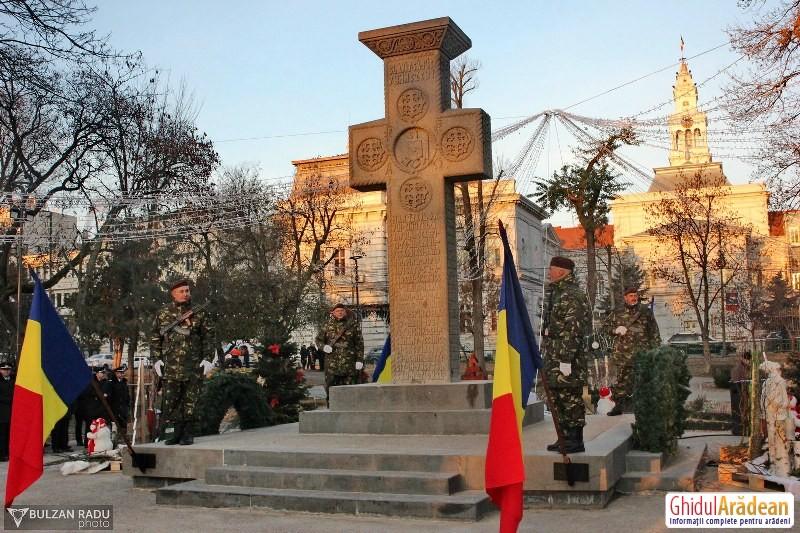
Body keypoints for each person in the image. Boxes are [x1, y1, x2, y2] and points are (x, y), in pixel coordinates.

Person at [150, 278, 212, 446]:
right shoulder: (163, 313)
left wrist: (207, 358)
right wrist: (157, 360)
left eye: (187, 291)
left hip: (193, 365)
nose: (186, 294)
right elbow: (155, 337)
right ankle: (176, 433)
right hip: (171, 366)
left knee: (191, 400)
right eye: (182, 291)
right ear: (173, 294)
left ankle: (188, 433)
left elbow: (208, 336)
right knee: (172, 401)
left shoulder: (199, 312)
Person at [541, 256, 591, 453]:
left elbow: (573, 330)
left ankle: (575, 440)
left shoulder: (572, 295)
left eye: (551, 269)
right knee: (558, 398)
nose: (549, 272)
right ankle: (564, 437)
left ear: (562, 272)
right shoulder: (557, 293)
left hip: (567, 359)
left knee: (570, 398)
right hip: (555, 357)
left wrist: (566, 360)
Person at [603, 286, 661, 416]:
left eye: (635, 295)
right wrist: (616, 330)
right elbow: (605, 327)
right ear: (625, 297)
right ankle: (618, 406)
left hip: (642, 352)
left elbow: (654, 331)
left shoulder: (645, 311)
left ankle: (646, 408)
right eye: (630, 296)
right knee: (622, 380)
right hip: (624, 353)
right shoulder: (617, 312)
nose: (634, 298)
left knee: (644, 380)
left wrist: (656, 349)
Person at [315, 304, 364, 404]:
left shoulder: (353, 325)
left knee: (350, 390)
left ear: (345, 312)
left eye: (342, 310)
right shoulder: (327, 325)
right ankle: (332, 411)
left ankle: (351, 411)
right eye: (337, 311)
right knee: (331, 390)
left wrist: (359, 360)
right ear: (333, 313)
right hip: (332, 365)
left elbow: (359, 343)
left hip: (349, 364)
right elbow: (318, 340)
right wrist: (324, 347)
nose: (340, 312)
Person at [729, 351, 751, 436]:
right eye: (746, 359)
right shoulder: (739, 369)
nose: (748, 361)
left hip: (740, 392)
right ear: (742, 358)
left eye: (748, 359)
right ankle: (739, 430)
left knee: (741, 412)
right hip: (739, 393)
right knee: (739, 412)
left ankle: (741, 429)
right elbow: (738, 382)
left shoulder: (745, 367)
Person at [110, 366, 131, 438]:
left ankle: (123, 438)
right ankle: (115, 438)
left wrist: (128, 404)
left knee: (123, 423)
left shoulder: (124, 382)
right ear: (116, 374)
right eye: (120, 373)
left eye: (122, 373)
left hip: (124, 407)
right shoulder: (112, 383)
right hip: (115, 407)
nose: (122, 375)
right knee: (115, 424)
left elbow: (127, 394)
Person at [0, 362, 14, 461]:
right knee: (2, 435)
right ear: (0, 370)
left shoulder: (13, 380)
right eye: (4, 369)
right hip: (2, 413)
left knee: (10, 434)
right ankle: (2, 454)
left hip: (12, 413)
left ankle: (9, 452)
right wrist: (10, 400)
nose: (6, 371)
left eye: (8, 369)